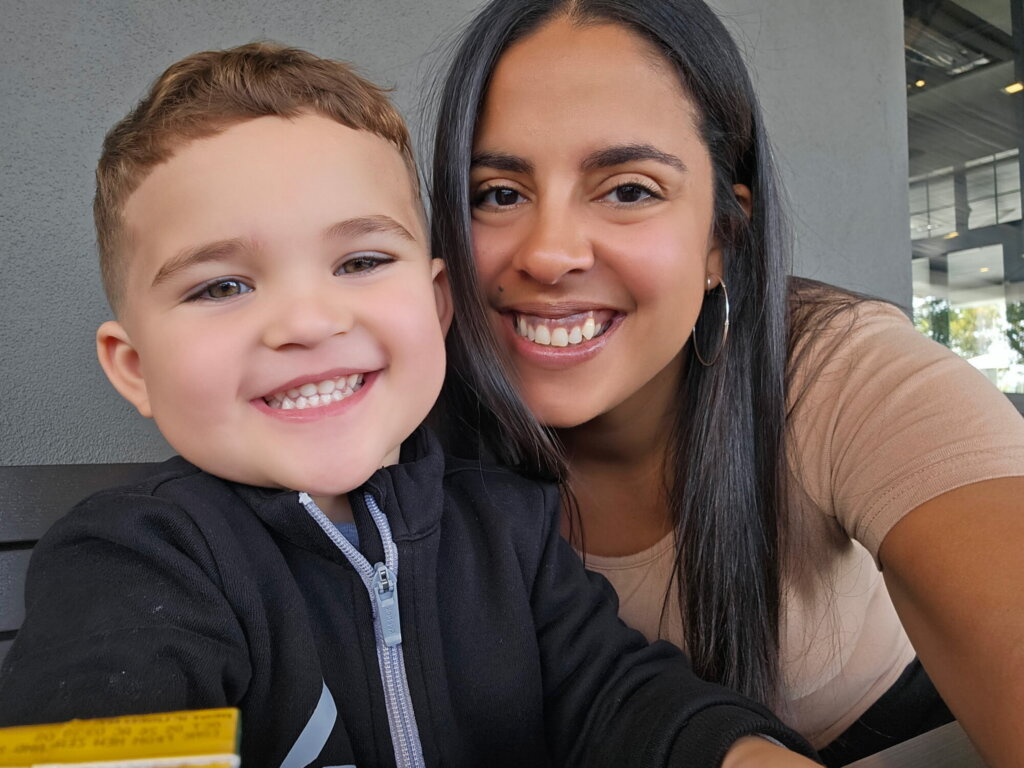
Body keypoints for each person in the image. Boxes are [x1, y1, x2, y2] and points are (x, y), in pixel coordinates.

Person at [0, 42, 821, 768]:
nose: (310, 322)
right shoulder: (131, 563)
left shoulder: (509, 523)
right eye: (223, 285)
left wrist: (739, 751)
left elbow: (615, 694)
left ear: (435, 308)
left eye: (359, 261)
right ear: (134, 367)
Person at [428, 1, 1024, 766]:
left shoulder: (837, 370)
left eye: (629, 190)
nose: (548, 255)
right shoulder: (400, 437)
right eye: (498, 194)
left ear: (722, 236)